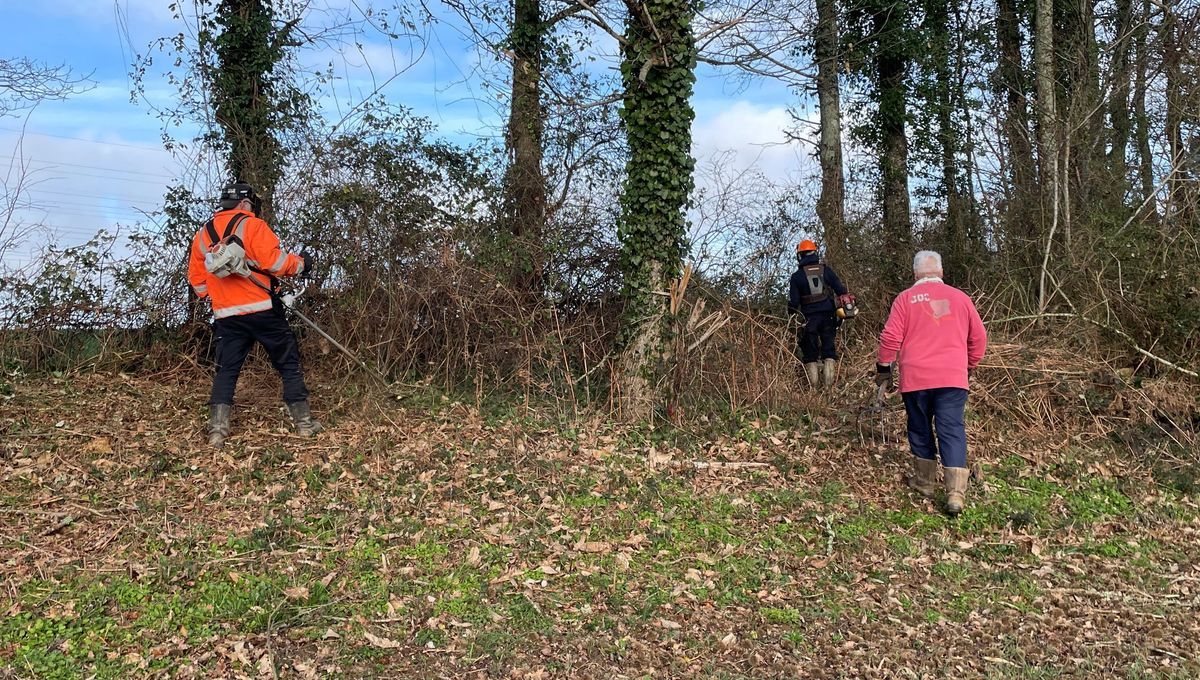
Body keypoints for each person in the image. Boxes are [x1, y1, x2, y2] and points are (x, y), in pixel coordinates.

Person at [188, 182, 320, 447]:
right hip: (262, 307)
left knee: (227, 370)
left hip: (226, 314)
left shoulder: (203, 235)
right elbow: (275, 262)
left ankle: (217, 431)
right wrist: (302, 263)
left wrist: (215, 296)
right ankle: (304, 425)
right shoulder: (253, 226)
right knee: (288, 363)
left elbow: (197, 279)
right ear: (246, 204)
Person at [875, 251, 987, 515]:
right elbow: (979, 338)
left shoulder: (905, 299)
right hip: (952, 377)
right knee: (951, 429)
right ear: (941, 272)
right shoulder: (960, 298)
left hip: (917, 378)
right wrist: (968, 365)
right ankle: (955, 494)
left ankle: (925, 482)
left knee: (919, 427)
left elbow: (890, 337)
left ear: (915, 274)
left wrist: (883, 367)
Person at [788, 239, 854, 387]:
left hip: (808, 319)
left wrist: (790, 313)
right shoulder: (826, 270)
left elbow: (794, 302)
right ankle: (829, 389)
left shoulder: (796, 277)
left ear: (800, 255)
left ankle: (814, 389)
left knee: (810, 353)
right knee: (828, 350)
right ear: (815, 252)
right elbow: (841, 291)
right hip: (828, 316)